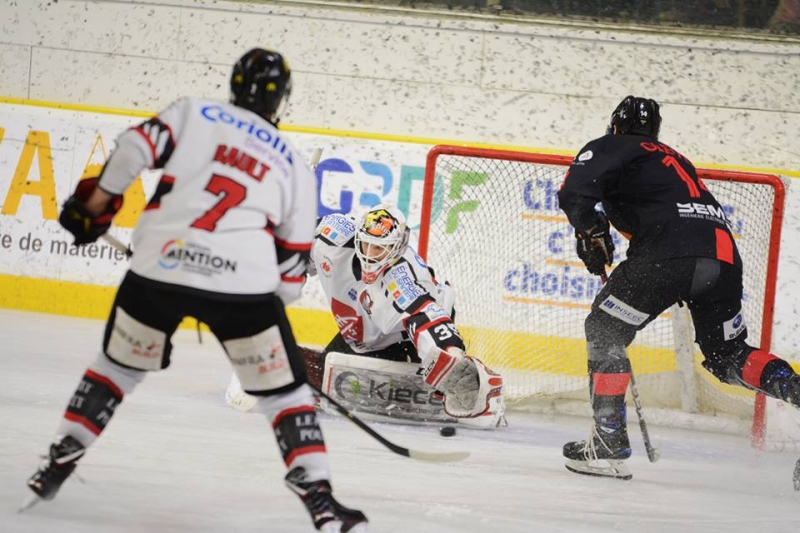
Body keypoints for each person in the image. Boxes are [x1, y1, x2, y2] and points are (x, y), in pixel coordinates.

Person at [23, 48, 368, 532]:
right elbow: (291, 271)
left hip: (158, 269)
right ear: (283, 100)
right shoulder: (292, 160)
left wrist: (97, 203)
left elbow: (131, 150)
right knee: (285, 395)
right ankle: (321, 502)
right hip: (243, 288)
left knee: (115, 370)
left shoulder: (192, 112)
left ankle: (56, 464)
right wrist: (265, 315)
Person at [557, 95, 800, 480]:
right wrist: (595, 232)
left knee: (606, 330)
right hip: (721, 257)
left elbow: (574, 194)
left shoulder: (611, 145)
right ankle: (796, 389)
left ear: (615, 125)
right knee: (727, 354)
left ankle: (607, 439)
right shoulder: (673, 158)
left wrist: (591, 231)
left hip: (668, 255)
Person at [226, 204, 506, 428]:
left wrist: (451, 358)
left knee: (343, 381)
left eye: (380, 248)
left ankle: (473, 383)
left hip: (404, 339)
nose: (371, 255)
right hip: (363, 335)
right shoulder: (330, 236)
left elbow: (427, 318)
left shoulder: (402, 279)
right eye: (366, 244)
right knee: (326, 372)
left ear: (398, 247)